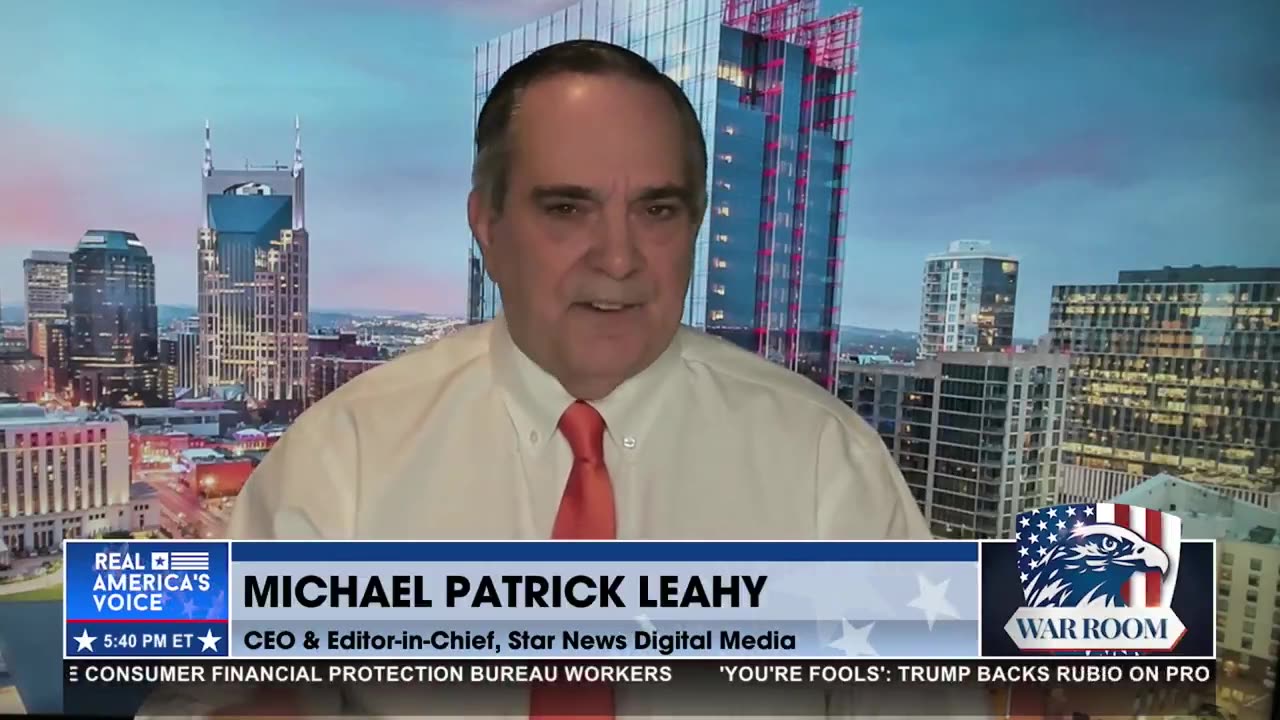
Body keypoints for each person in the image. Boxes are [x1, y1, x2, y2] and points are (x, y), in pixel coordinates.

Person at [139, 39, 990, 719]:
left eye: (657, 210)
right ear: (487, 225)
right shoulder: (348, 455)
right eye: (567, 208)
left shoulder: (824, 462)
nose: (618, 258)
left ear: (695, 225)